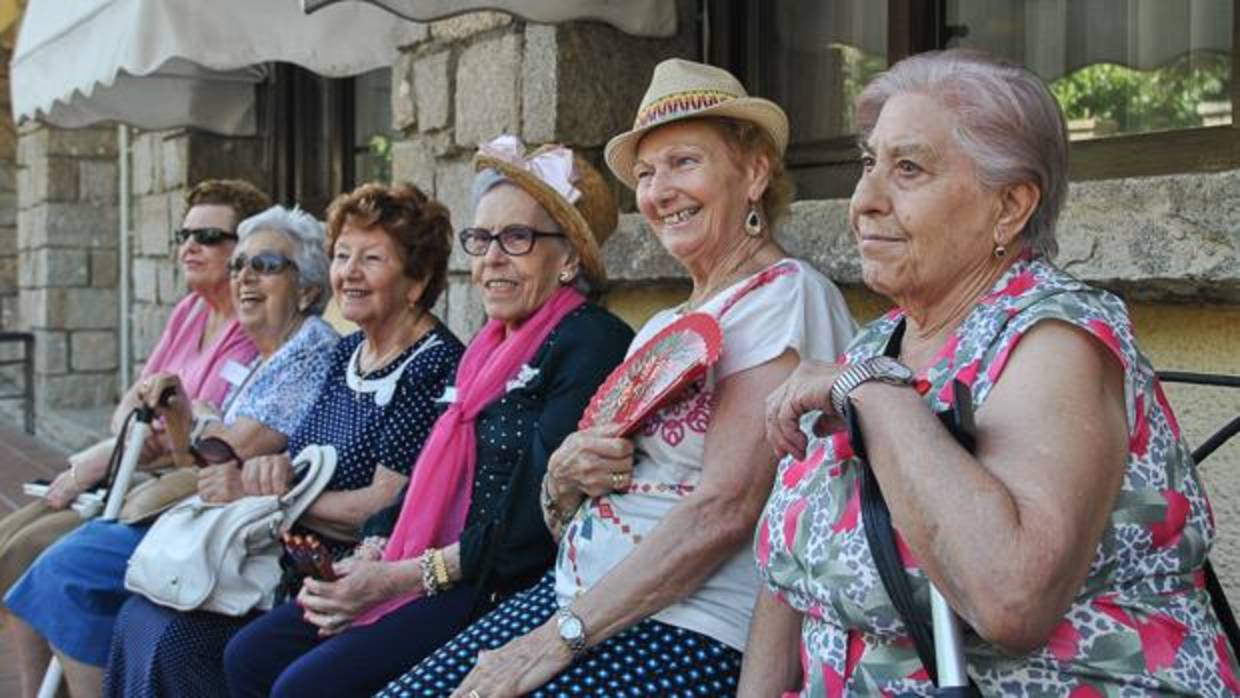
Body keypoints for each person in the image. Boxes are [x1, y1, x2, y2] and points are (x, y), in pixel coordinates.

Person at [743, 49, 1240, 697]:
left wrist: (873, 394)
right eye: (869, 164)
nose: (864, 200)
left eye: (909, 169)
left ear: (1008, 207)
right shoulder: (877, 338)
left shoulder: (1056, 337)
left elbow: (1011, 597)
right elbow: (788, 590)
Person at [381, 59, 856, 697]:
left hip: (690, 624)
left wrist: (552, 642)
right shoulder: (663, 322)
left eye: (684, 162)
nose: (659, 192)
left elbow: (726, 511)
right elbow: (575, 503)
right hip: (582, 600)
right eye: (646, 173)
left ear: (754, 171)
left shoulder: (785, 296)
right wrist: (560, 477)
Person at [224, 135, 634, 697]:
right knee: (248, 655)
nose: (491, 256)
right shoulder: (484, 350)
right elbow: (422, 479)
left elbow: (528, 528)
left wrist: (391, 578)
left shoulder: (590, 341)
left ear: (568, 258)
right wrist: (371, 548)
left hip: (500, 584)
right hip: (425, 561)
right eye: (482, 237)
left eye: (516, 237)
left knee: (304, 687)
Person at [104, 183, 466, 697]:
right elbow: (299, 460)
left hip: (357, 579)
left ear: (418, 279)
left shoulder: (432, 366)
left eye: (372, 258)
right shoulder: (349, 354)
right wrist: (274, 473)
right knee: (141, 615)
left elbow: (386, 504)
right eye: (342, 256)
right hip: (291, 562)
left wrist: (274, 495)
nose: (349, 272)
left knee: (180, 640)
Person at [4, 205, 339, 698]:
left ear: (308, 288)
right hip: (205, 513)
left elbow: (227, 450)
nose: (244, 277)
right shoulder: (266, 355)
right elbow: (195, 456)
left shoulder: (309, 347)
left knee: (66, 570)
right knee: (53, 564)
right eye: (238, 266)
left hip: (242, 533)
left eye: (264, 265)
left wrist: (196, 420)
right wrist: (188, 414)